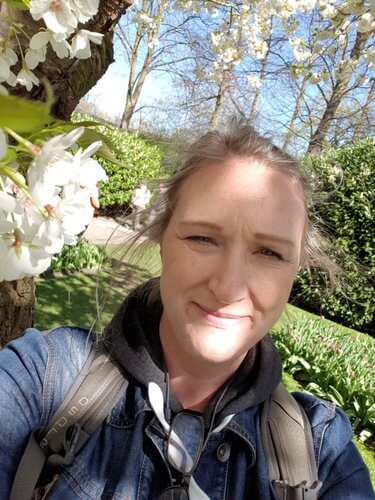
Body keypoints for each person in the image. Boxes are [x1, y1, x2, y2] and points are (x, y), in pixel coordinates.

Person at [0, 120, 373, 499]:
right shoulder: (43, 377)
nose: (228, 287)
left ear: (296, 272)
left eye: (269, 252)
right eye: (202, 238)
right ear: (163, 241)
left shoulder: (324, 454)